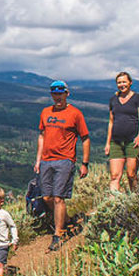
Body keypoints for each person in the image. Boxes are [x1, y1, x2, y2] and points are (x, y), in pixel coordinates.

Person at [34, 80, 89, 252]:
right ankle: (67, 220)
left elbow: (85, 138)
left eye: (60, 93)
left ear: (67, 94)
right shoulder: (45, 112)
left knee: (59, 198)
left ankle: (58, 233)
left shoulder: (75, 114)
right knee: (47, 198)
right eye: (54, 94)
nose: (58, 97)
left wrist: (84, 163)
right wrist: (38, 159)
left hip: (65, 160)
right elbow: (42, 136)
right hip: (46, 160)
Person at [104, 71, 139, 192]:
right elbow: (111, 122)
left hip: (132, 141)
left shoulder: (138, 99)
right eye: (119, 82)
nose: (122, 84)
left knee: (131, 174)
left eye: (124, 82)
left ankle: (135, 198)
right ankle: (113, 204)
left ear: (130, 83)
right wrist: (108, 143)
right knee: (114, 176)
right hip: (116, 142)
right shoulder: (113, 100)